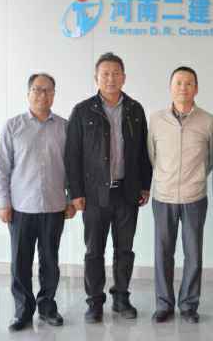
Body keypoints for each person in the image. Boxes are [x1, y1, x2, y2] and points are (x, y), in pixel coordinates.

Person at [65, 52, 152, 323]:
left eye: (116, 73)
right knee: (94, 251)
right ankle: (94, 302)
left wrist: (145, 185)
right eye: (105, 74)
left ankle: (121, 298)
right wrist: (75, 192)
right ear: (96, 78)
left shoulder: (135, 109)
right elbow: (72, 155)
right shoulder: (82, 111)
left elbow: (143, 152)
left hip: (127, 191)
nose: (111, 79)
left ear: (124, 77)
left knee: (124, 250)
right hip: (94, 194)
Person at [0, 73, 75, 332]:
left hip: (54, 206)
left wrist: (70, 199)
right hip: (21, 207)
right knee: (20, 262)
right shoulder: (13, 126)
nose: (43, 94)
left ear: (54, 94)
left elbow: (71, 168)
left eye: (48, 90)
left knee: (50, 261)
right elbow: (3, 168)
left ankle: (47, 307)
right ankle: (23, 311)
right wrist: (4, 202)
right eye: (38, 89)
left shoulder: (64, 127)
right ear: (28, 93)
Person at [147, 66, 213, 324]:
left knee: (193, 254)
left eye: (189, 83)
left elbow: (212, 159)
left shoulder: (209, 121)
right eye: (178, 83)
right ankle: (163, 304)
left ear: (196, 88)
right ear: (170, 87)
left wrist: (196, 177)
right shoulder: (156, 120)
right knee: (163, 253)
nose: (183, 88)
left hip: (194, 197)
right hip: (163, 197)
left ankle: (188, 305)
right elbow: (152, 155)